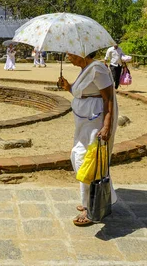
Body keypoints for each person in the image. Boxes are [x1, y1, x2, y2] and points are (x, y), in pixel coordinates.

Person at [58, 51, 118, 226]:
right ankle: (96, 199)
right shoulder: (85, 69)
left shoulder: (97, 69)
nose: (68, 57)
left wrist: (106, 126)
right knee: (80, 157)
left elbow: (108, 99)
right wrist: (68, 86)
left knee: (88, 160)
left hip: (95, 121)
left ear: (82, 53)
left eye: (71, 54)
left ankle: (91, 207)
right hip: (84, 122)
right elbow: (83, 92)